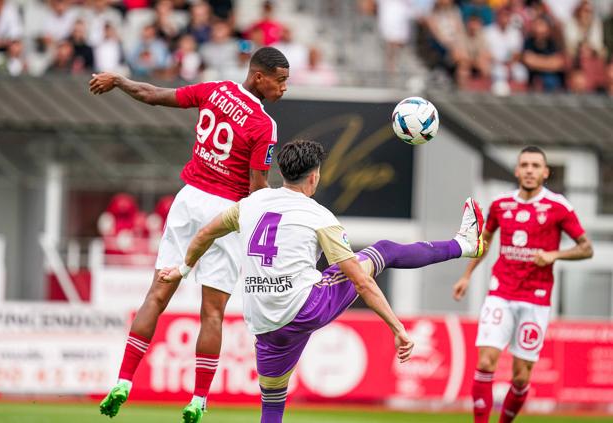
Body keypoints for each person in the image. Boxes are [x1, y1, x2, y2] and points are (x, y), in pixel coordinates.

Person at [160, 139, 487, 423]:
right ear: (314, 176)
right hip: (305, 308)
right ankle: (465, 245)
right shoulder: (319, 217)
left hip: (264, 322)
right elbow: (361, 282)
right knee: (383, 251)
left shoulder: (249, 205)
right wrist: (397, 329)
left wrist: (183, 269)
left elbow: (204, 233)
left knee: (272, 403)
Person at [91, 46, 290, 422]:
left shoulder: (213, 91)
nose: (283, 89)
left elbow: (151, 95)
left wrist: (118, 80)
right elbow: (258, 186)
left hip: (187, 200)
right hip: (225, 211)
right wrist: (266, 224)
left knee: (157, 292)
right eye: (280, 81)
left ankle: (123, 381)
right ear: (259, 76)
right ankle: (198, 400)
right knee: (212, 313)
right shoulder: (264, 125)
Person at [452, 146, 593, 423]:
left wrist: (555, 254)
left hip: (536, 299)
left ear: (545, 172)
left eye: (535, 165)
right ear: (517, 171)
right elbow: (485, 241)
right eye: (525, 165)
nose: (529, 170)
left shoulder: (558, 207)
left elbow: (586, 248)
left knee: (520, 376)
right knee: (485, 362)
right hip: (501, 291)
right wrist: (467, 275)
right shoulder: (500, 204)